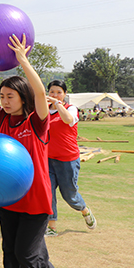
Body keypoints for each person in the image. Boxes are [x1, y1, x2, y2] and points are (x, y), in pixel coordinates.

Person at [0, 34, 63, 268]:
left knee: (28, 255)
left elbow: (40, 91)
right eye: (2, 96)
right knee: (11, 258)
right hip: (9, 199)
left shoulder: (36, 122)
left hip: (35, 201)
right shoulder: (2, 119)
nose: (3, 101)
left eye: (9, 96)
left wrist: (22, 59)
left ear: (23, 97)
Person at [46, 80, 96, 237]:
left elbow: (67, 119)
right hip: (47, 159)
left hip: (67, 159)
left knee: (69, 195)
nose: (55, 95)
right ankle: (51, 227)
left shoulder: (71, 109)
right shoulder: (44, 110)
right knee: (48, 193)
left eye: (58, 92)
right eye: (52, 92)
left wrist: (57, 104)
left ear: (65, 94)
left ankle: (85, 210)